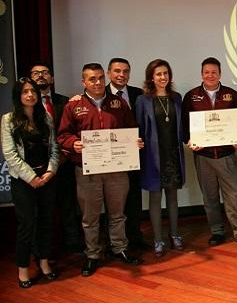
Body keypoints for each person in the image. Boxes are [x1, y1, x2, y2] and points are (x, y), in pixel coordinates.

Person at [57, 63, 141, 277]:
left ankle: (119, 248)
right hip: (88, 171)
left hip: (117, 169)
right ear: (83, 82)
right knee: (90, 217)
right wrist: (73, 143)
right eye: (92, 79)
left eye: (100, 78)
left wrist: (135, 141)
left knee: (117, 213)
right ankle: (92, 254)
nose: (97, 83)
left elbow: (130, 130)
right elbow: (62, 136)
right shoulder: (73, 106)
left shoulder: (118, 103)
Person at [182, 57, 237, 249]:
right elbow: (184, 126)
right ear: (201, 74)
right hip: (203, 157)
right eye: (206, 72)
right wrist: (189, 140)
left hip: (226, 156)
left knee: (234, 196)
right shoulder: (191, 97)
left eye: (214, 72)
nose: (210, 75)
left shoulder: (232, 95)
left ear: (220, 74)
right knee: (210, 198)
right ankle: (217, 232)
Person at [1, 78, 59, 288]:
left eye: (33, 91)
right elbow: (10, 154)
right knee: (27, 225)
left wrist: (51, 171)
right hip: (24, 182)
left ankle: (43, 263)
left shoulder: (46, 118)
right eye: (25, 92)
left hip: (46, 179)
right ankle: (23, 269)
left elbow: (54, 148)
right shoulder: (8, 120)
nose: (30, 95)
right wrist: (31, 177)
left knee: (46, 222)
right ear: (18, 95)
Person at [29, 62, 84, 253]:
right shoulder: (26, 104)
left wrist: (65, 155)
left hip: (65, 162)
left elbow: (71, 132)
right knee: (42, 211)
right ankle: (44, 251)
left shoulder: (66, 102)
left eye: (45, 73)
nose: (41, 76)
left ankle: (73, 245)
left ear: (52, 78)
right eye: (36, 73)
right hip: (38, 168)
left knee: (69, 206)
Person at [136, 59, 186, 257]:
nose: (162, 77)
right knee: (155, 199)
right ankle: (158, 239)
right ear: (151, 77)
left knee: (173, 198)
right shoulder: (143, 100)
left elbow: (182, 127)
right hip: (152, 157)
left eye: (166, 73)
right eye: (158, 74)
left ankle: (175, 235)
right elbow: (139, 128)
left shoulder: (177, 98)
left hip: (173, 155)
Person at [106, 57, 148, 250]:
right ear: (109, 73)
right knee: (114, 202)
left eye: (125, 71)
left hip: (134, 156)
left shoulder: (138, 94)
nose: (121, 75)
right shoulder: (99, 94)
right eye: (117, 71)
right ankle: (115, 242)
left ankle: (135, 237)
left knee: (134, 199)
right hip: (110, 158)